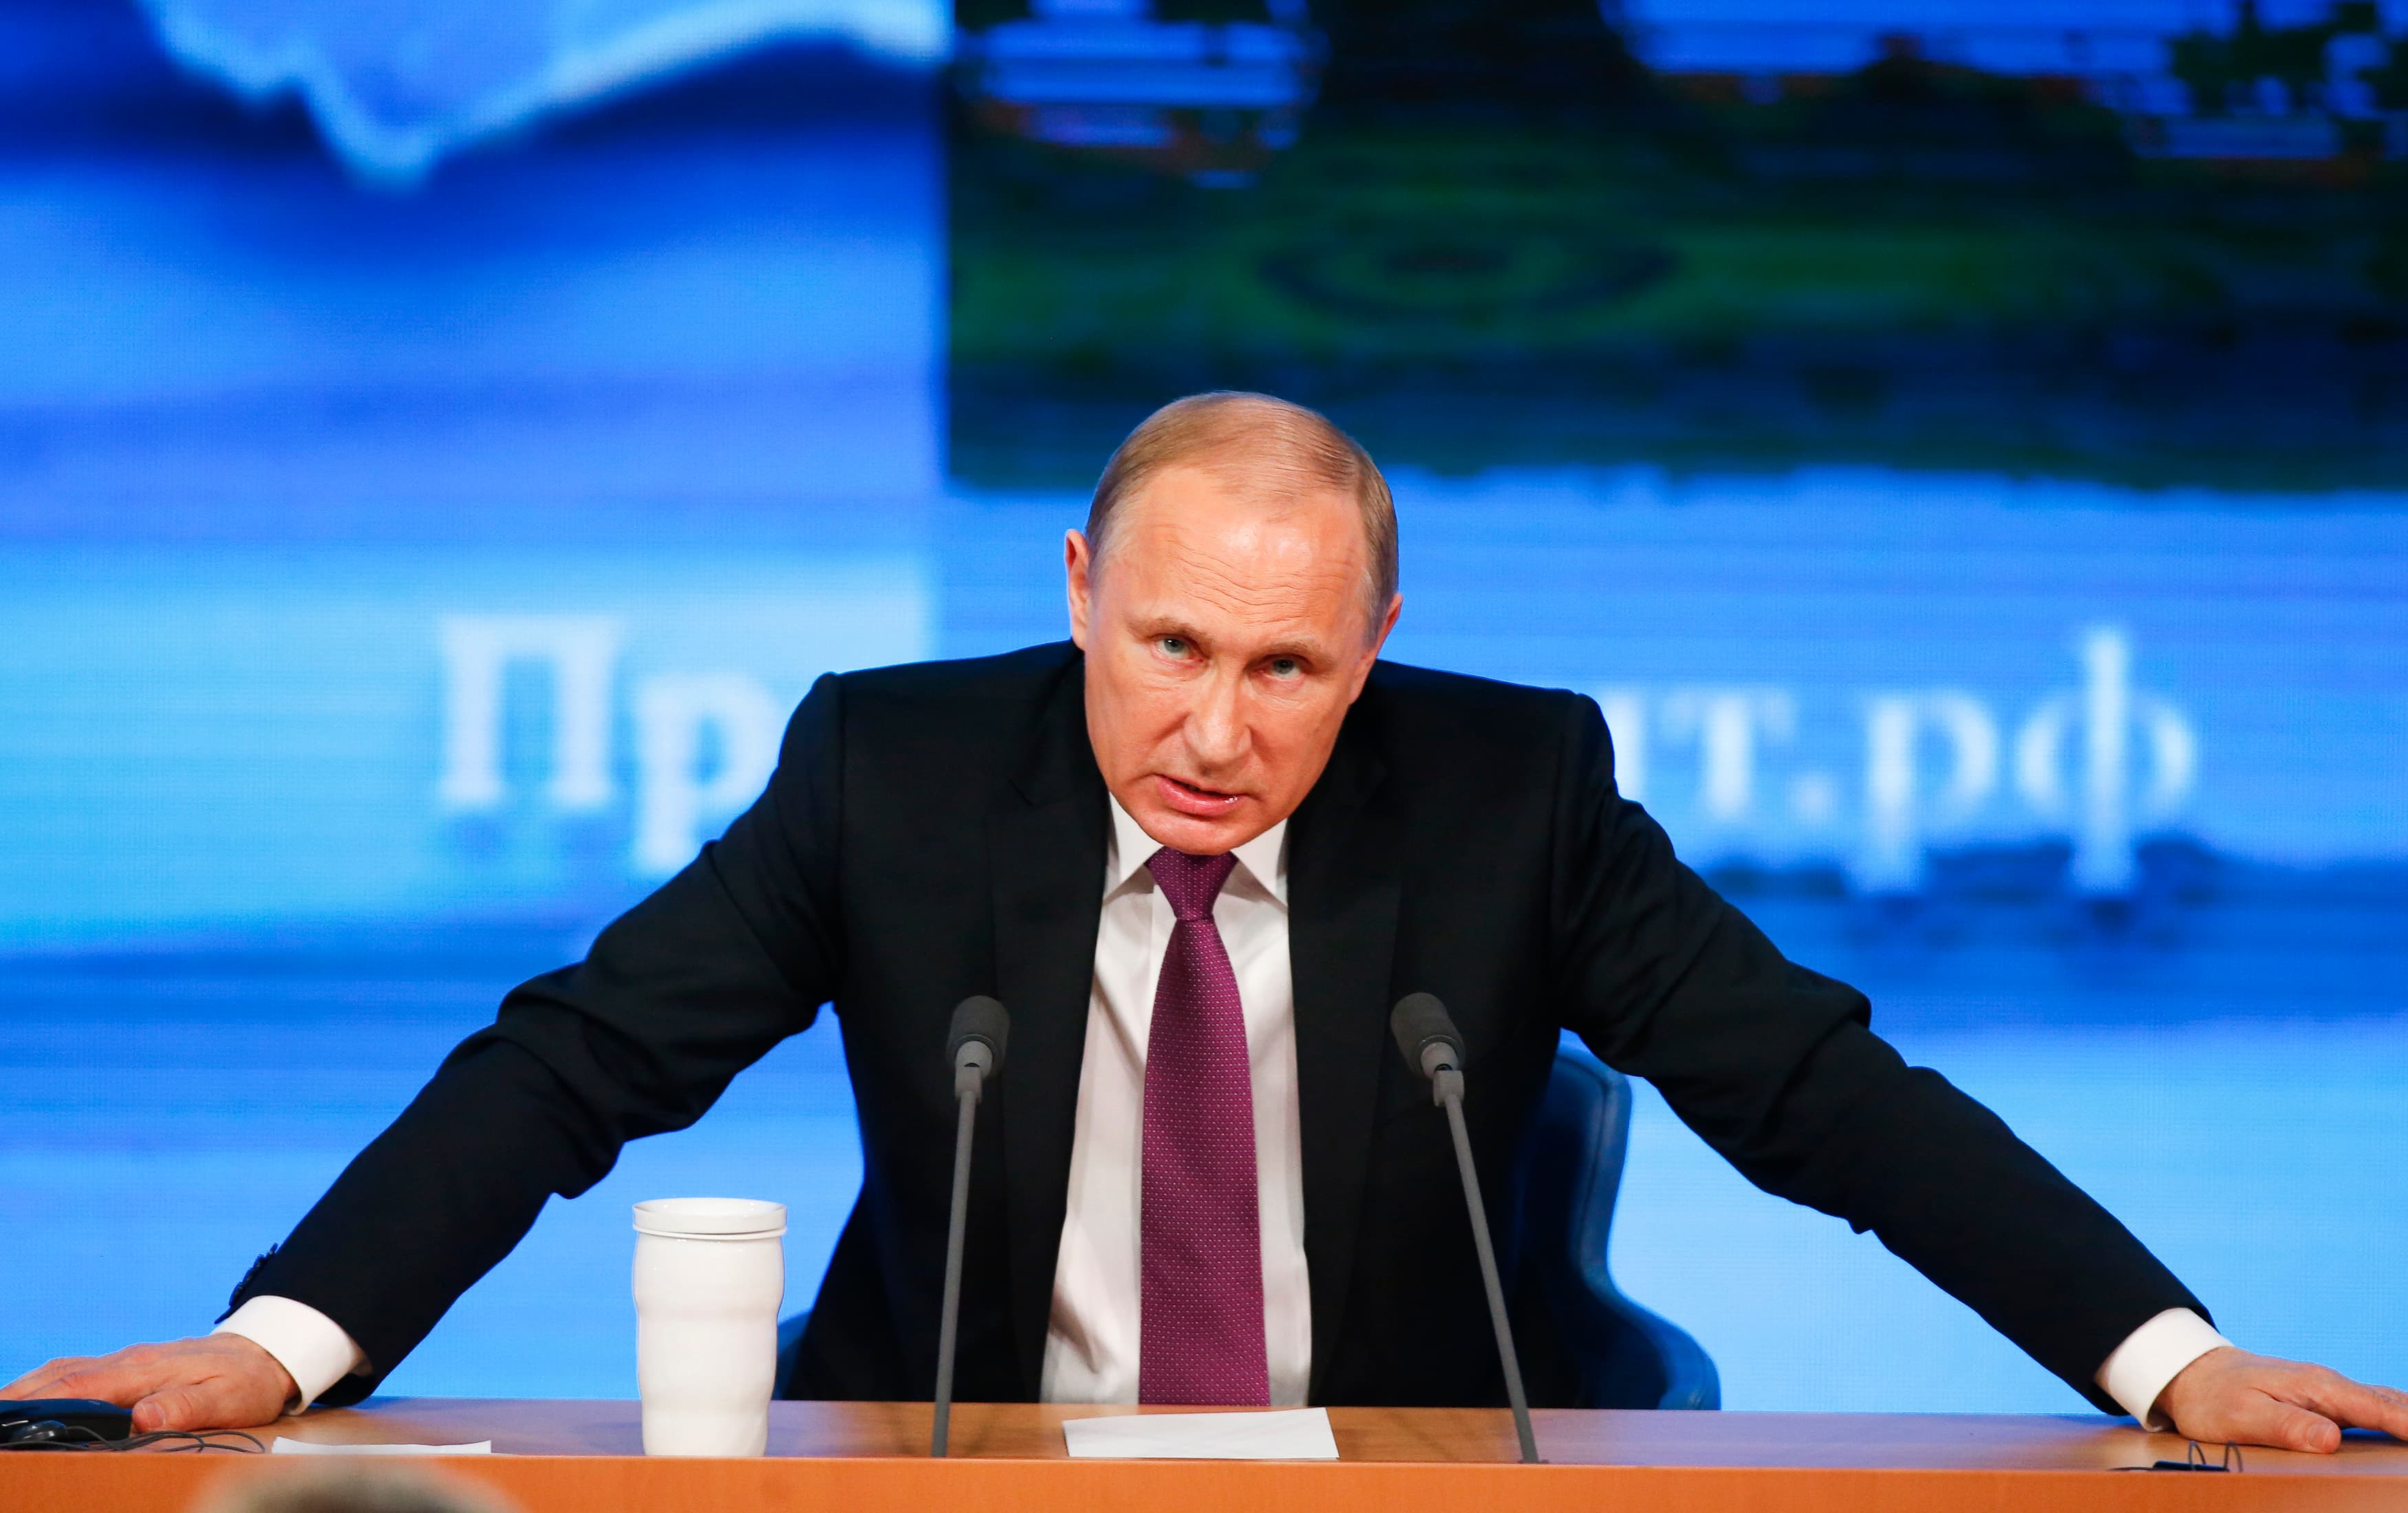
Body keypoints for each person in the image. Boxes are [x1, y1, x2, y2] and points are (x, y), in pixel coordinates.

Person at [11, 394, 2405, 1450]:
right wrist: (282, 1344)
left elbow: (1817, 1092)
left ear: (1371, 652)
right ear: (1076, 593)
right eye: (1167, 648)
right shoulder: (891, 763)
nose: (1217, 730)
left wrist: (2164, 1358)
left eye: (1288, 668)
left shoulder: (1514, 790)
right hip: (944, 1464)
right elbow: (573, 1062)